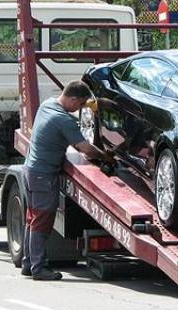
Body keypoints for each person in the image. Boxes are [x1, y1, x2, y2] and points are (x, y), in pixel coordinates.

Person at [22, 80, 113, 280]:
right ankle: (39, 269)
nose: (79, 109)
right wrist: (107, 157)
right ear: (72, 99)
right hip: (44, 175)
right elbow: (85, 148)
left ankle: (28, 263)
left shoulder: (47, 105)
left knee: (32, 218)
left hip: (29, 171)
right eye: (80, 105)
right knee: (41, 222)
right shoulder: (63, 120)